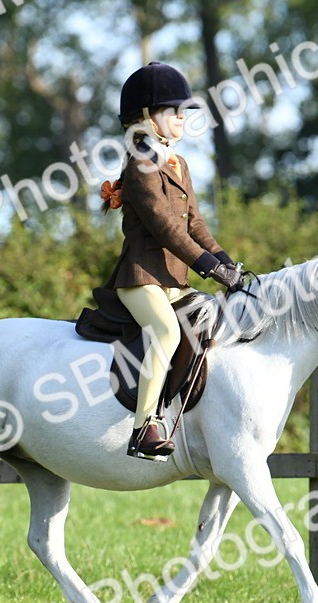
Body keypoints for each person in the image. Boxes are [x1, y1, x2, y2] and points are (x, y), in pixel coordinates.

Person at [99, 62, 242, 460]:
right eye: (173, 110)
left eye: (184, 111)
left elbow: (195, 223)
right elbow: (166, 228)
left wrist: (228, 261)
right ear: (146, 117)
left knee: (216, 320)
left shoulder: (178, 164)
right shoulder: (141, 161)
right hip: (142, 278)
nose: (182, 117)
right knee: (165, 332)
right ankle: (144, 428)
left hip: (175, 282)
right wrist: (209, 268)